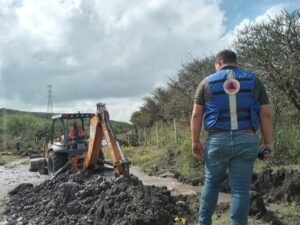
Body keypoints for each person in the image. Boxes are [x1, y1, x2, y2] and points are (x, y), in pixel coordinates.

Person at [191, 49, 272, 225]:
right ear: (235, 62)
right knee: (240, 190)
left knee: (211, 183)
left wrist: (195, 141)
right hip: (247, 139)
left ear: (218, 63)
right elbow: (265, 114)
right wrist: (267, 143)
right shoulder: (254, 80)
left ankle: (203, 222)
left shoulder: (206, 82)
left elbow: (197, 115)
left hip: (216, 141)